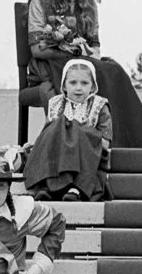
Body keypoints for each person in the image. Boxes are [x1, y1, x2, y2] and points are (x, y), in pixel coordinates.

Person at [24, 0, 142, 148]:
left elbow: (94, 44)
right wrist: (67, 49)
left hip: (83, 61)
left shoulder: (87, 1)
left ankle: (135, 145)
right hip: (50, 62)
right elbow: (37, 49)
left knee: (114, 71)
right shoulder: (41, 0)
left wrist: (89, 52)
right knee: (97, 71)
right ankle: (107, 143)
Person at [22, 57, 113, 201]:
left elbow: (105, 143)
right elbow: (48, 136)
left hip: (89, 156)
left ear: (93, 86)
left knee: (69, 130)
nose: (78, 88)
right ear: (64, 86)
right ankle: (49, 188)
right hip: (60, 155)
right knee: (57, 129)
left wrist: (75, 132)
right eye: (73, 83)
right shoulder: (56, 104)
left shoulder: (99, 106)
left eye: (84, 83)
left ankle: (76, 189)